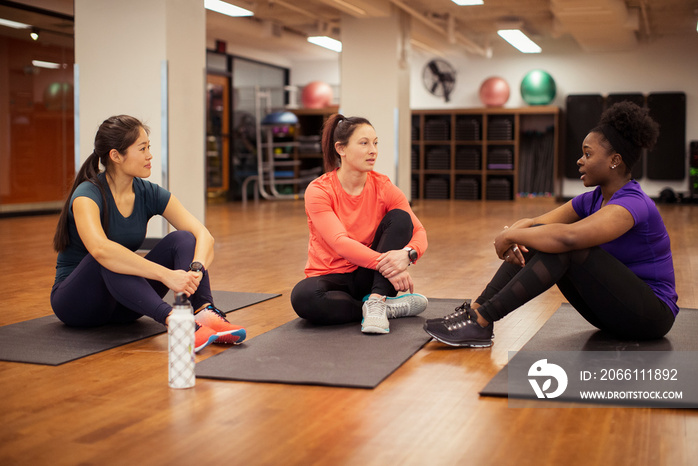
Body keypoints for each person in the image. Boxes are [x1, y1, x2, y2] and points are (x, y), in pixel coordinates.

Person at [425, 101, 677, 346]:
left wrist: (511, 237)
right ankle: (476, 312)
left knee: (567, 247)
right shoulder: (592, 199)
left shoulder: (633, 204)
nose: (580, 160)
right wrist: (514, 233)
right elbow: (535, 224)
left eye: (588, 154)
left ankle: (481, 320)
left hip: (651, 316)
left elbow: (568, 238)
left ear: (615, 160)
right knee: (541, 238)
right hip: (612, 311)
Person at [51, 115, 245, 352]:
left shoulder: (148, 192)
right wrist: (167, 275)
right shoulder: (87, 195)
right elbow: (101, 250)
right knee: (108, 256)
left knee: (184, 239)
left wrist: (195, 270)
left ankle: (203, 312)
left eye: (149, 147)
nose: (150, 155)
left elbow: (203, 235)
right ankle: (178, 323)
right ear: (116, 156)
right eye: (142, 149)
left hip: (123, 306)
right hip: (78, 303)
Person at [290, 114, 429, 334]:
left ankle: (376, 299)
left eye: (375, 143)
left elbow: (418, 230)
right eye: (364, 143)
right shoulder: (319, 190)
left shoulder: (383, 186)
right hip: (332, 276)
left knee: (401, 218)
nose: (373, 150)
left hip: (372, 278)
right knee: (304, 297)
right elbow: (340, 243)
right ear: (341, 149)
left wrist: (408, 254)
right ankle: (382, 308)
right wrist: (390, 267)